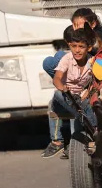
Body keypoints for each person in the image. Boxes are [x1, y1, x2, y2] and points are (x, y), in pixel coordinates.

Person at [41, 24, 98, 158]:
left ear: (88, 48)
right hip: (66, 98)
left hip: (82, 100)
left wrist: (87, 93)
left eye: (81, 47)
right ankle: (90, 129)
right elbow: (57, 78)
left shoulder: (92, 61)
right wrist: (63, 87)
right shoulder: (67, 58)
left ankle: (85, 138)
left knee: (85, 105)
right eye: (74, 46)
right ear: (70, 46)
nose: (77, 50)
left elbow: (96, 82)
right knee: (57, 95)